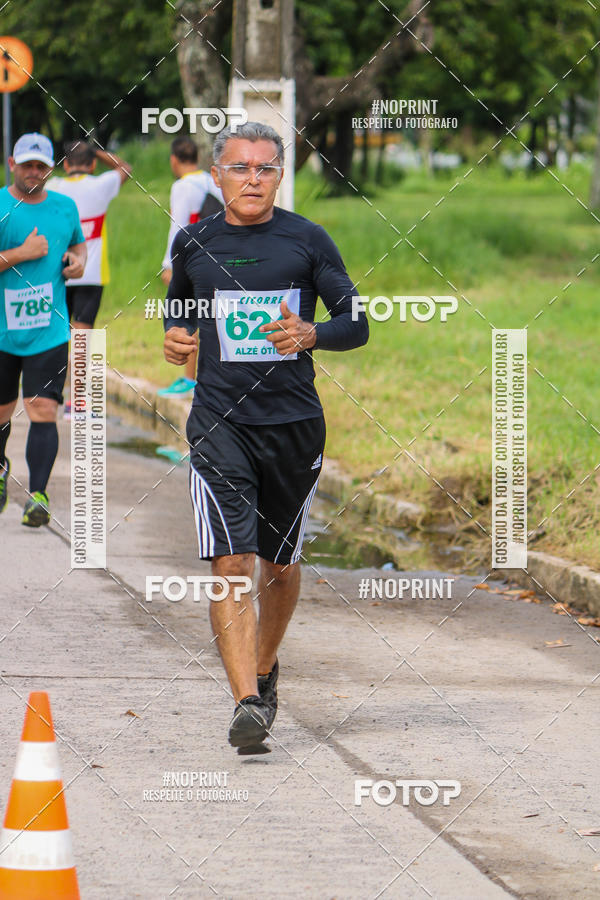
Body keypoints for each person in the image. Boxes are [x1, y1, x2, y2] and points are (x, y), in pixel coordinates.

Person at [163, 122, 368, 752]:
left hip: (292, 426)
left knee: (279, 565)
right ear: (216, 175)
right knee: (232, 562)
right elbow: (180, 309)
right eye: (240, 167)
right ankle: (246, 702)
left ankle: (265, 664)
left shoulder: (307, 239)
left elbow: (356, 321)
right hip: (219, 424)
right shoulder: (194, 241)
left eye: (265, 168)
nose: (252, 179)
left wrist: (312, 333)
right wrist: (176, 338)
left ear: (280, 176)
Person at [0, 133, 86, 526]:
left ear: (51, 169)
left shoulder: (65, 207)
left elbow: (78, 245)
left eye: (41, 166)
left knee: (43, 408)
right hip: (3, 332)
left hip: (48, 330)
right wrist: (22, 253)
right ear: (11, 164)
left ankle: (38, 495)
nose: (34, 172)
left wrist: (77, 262)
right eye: (27, 165)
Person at [47, 140, 131, 416]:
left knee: (57, 335)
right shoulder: (101, 185)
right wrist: (98, 152)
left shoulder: (54, 187)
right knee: (82, 337)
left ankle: (49, 397)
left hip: (58, 273)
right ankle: (77, 402)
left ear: (66, 164)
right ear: (93, 164)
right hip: (91, 274)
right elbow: (125, 168)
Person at [158, 135, 223, 398]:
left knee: (188, 315)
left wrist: (169, 264)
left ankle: (189, 380)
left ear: (174, 160)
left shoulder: (182, 186)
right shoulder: (211, 180)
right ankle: (203, 378)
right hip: (217, 257)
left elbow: (178, 227)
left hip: (193, 260)